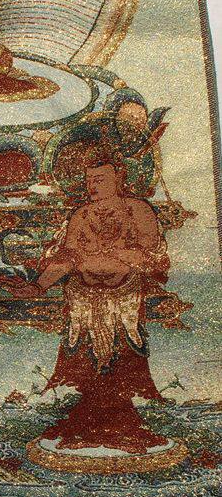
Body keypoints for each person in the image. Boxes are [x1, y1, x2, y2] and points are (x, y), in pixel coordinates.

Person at [31, 146, 171, 454]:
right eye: (88, 180)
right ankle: (86, 424)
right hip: (83, 298)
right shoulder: (80, 215)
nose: (92, 186)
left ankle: (123, 425)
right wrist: (38, 286)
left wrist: (116, 254)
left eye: (100, 179)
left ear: (119, 177)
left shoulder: (137, 210)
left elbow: (152, 256)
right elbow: (66, 258)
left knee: (122, 358)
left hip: (124, 296)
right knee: (85, 359)